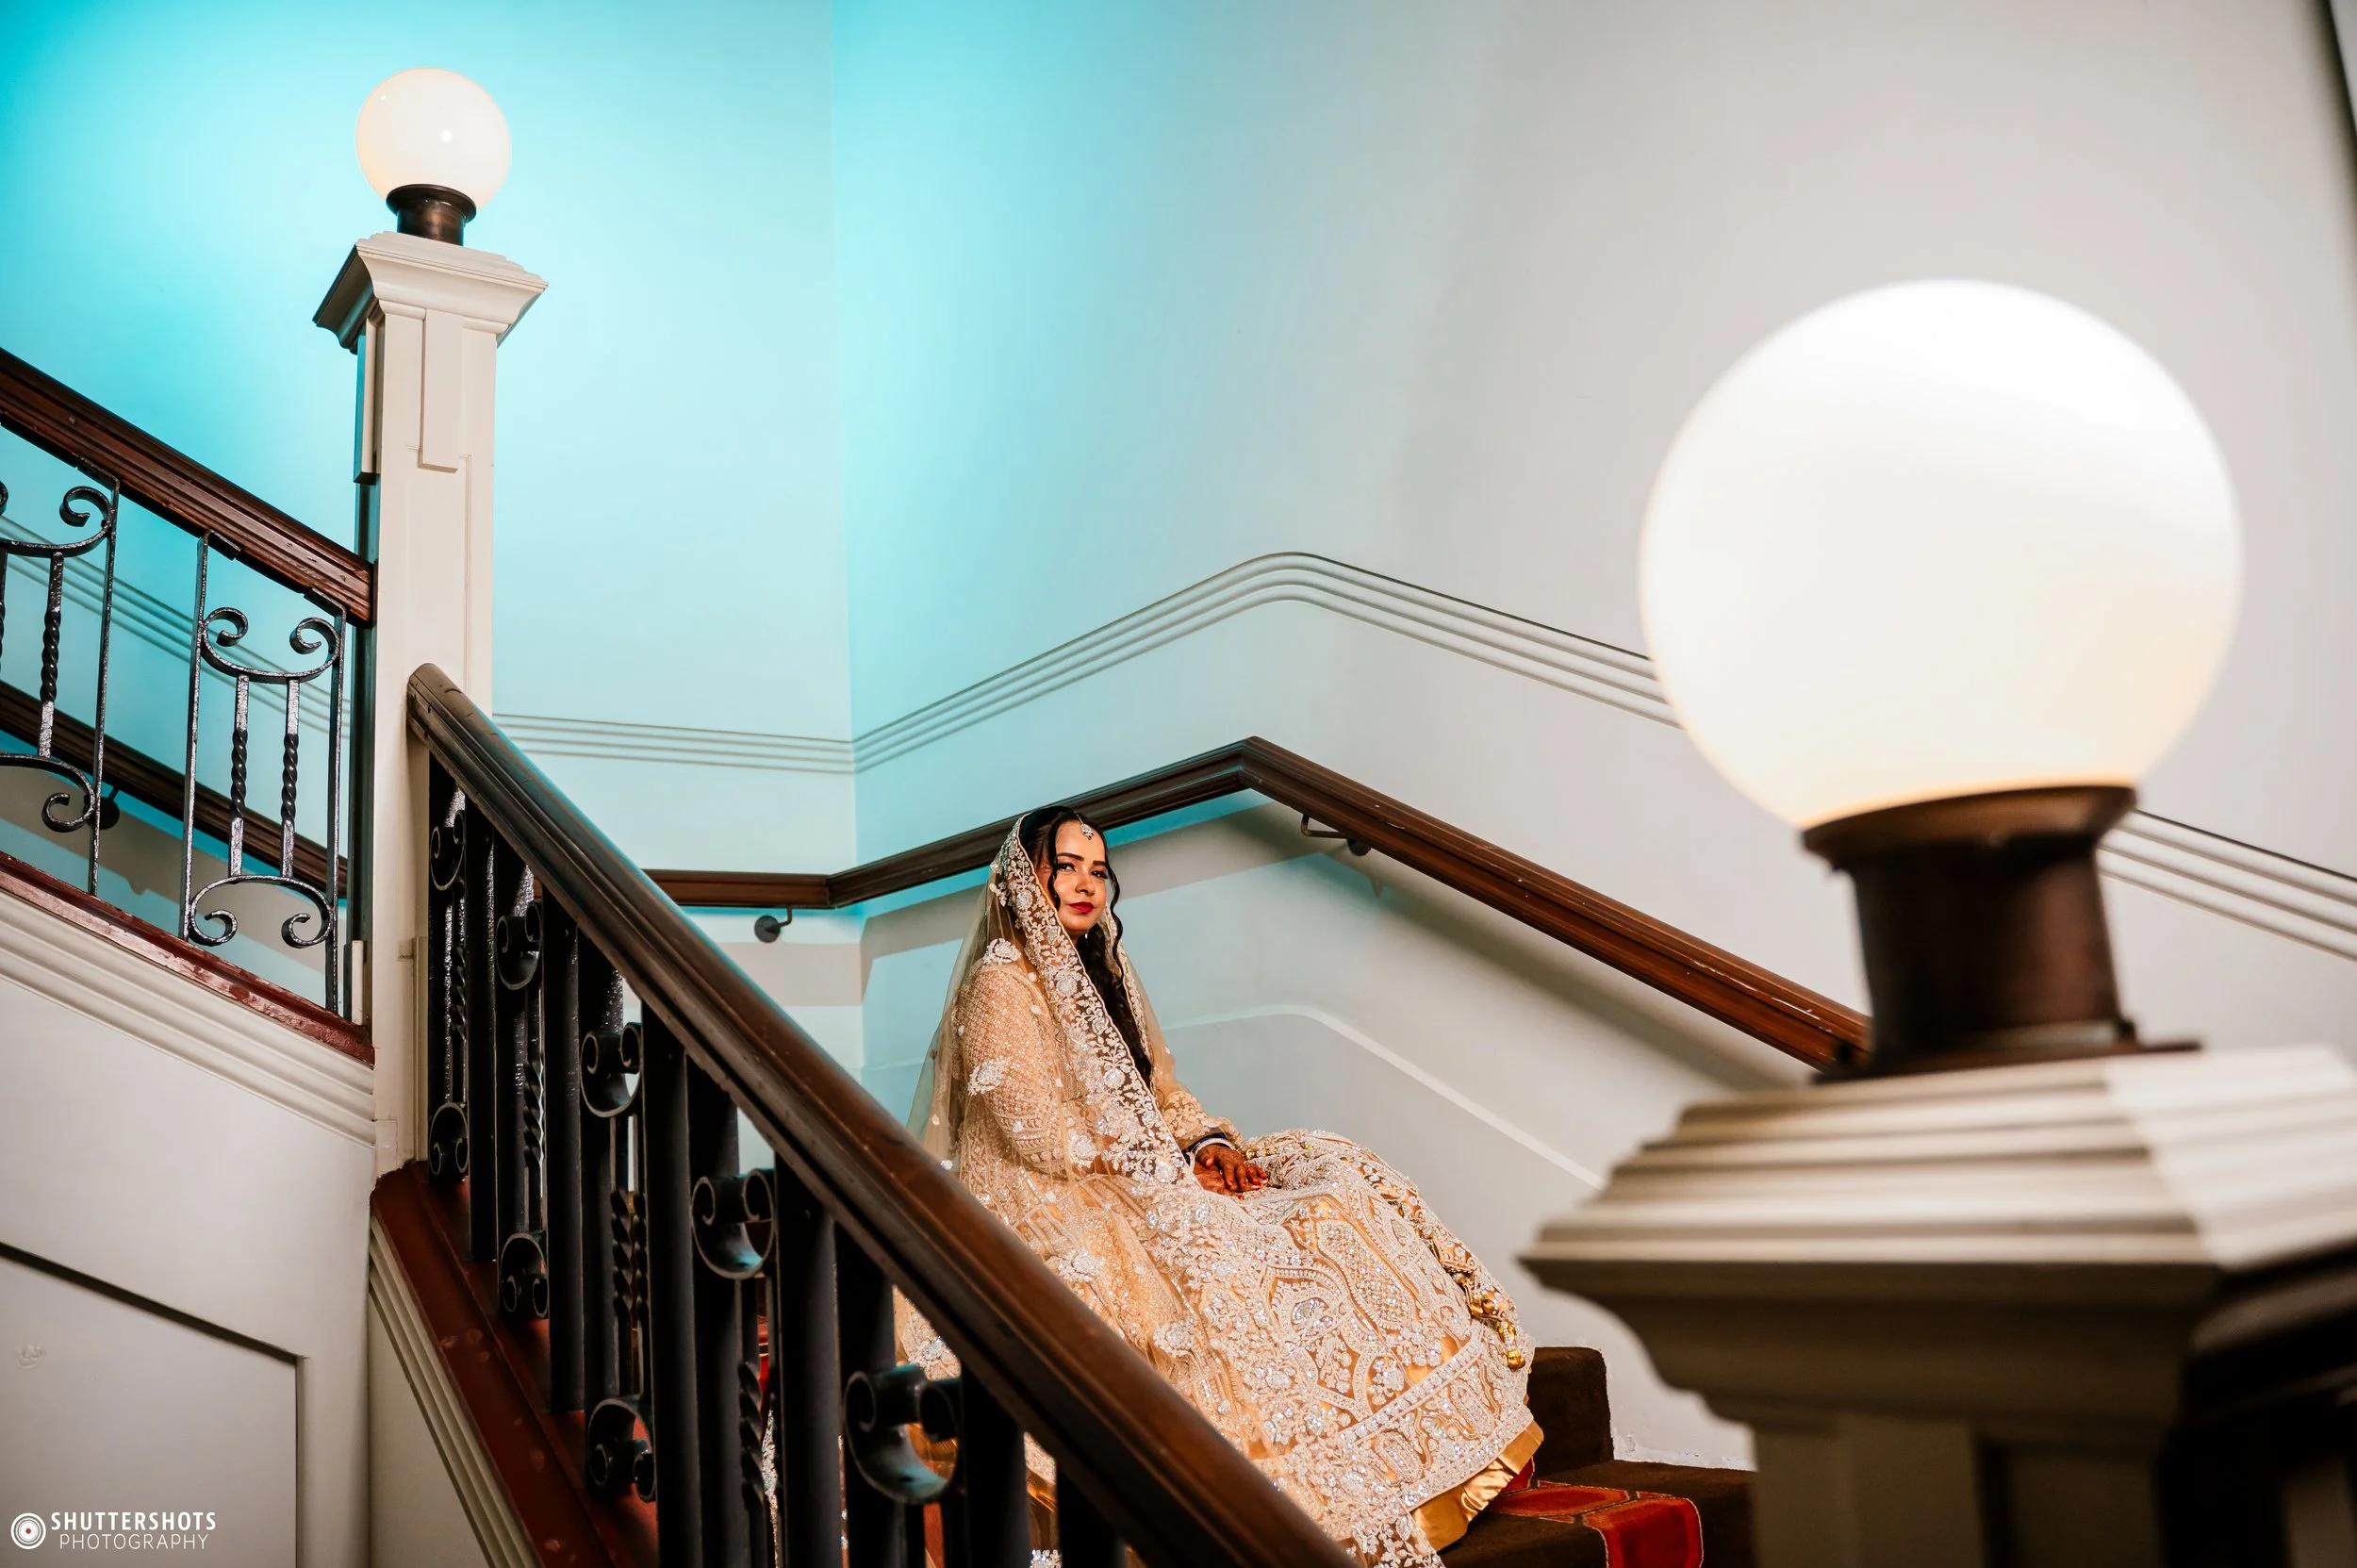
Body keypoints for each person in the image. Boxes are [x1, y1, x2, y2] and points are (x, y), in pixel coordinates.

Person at [900, 806, 1540, 1565]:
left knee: (1329, 1176)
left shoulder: (1103, 968)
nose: (1085, 883)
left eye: (1098, 869)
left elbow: (1162, 1097)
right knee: (1219, 1240)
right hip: (1045, 1197)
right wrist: (1163, 1168)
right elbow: (1034, 1132)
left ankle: (1412, 1443)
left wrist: (1207, 1145)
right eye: (1065, 864)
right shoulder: (1001, 980)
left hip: (1133, 1167)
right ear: (1024, 876)